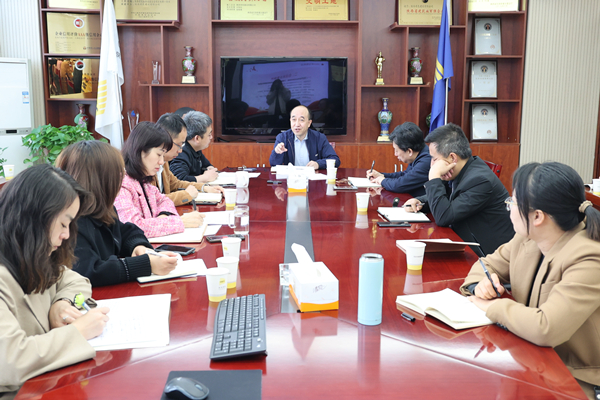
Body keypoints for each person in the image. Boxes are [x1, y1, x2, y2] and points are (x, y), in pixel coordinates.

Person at [460, 161, 600, 398]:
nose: (508, 207)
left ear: (537, 216)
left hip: (573, 378)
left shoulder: (589, 257)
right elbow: (486, 264)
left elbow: (546, 328)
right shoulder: (527, 237)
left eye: (513, 202)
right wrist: (479, 286)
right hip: (528, 358)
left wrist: (492, 306)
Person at [0, 164, 110, 392]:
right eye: (62, 223)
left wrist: (63, 303)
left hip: (47, 385)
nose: (66, 234)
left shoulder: (34, 258)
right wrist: (78, 331)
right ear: (34, 217)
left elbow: (77, 281)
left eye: (69, 225)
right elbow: (9, 362)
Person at [56, 141, 178, 286]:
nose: (122, 177)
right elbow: (90, 271)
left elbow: (125, 231)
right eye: (118, 173)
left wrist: (138, 247)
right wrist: (146, 264)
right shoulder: (70, 223)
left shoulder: (103, 208)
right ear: (102, 180)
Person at [404, 123, 514, 256]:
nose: (432, 165)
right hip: (465, 243)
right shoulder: (463, 169)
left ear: (452, 158)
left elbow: (443, 217)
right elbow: (449, 195)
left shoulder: (480, 180)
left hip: (488, 256)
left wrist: (434, 177)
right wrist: (421, 202)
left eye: (434, 159)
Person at [115, 121, 204, 238]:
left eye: (163, 155)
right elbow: (134, 227)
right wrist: (179, 222)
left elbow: (164, 201)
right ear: (141, 151)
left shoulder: (143, 181)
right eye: (158, 155)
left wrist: (162, 217)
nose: (162, 161)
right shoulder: (121, 184)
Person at [155, 113, 224, 206]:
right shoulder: (148, 167)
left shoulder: (164, 162)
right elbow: (153, 201)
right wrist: (186, 195)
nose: (180, 150)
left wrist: (204, 188)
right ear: (166, 140)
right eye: (179, 145)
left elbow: (176, 184)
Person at [366, 122, 431, 197]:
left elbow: (400, 185)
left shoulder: (426, 161)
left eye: (396, 150)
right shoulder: (419, 153)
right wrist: (381, 175)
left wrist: (382, 181)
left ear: (409, 151)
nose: (395, 154)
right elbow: (405, 175)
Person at [269, 105, 340, 170]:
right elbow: (273, 164)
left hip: (312, 178)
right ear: (290, 121)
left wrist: (318, 164)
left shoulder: (319, 138)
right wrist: (277, 152)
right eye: (294, 119)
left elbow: (335, 160)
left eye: (301, 120)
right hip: (291, 178)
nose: (297, 124)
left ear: (309, 123)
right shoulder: (282, 137)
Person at [170, 111, 218, 183]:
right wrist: (205, 177)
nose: (211, 137)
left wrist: (210, 169)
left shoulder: (196, 149)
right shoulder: (180, 152)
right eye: (209, 135)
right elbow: (179, 180)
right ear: (197, 138)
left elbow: (207, 166)